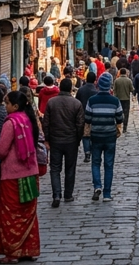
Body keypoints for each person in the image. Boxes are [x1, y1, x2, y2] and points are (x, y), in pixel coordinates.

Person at [0, 91, 41, 263]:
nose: (5, 106)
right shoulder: (29, 120)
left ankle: (13, 253)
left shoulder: (11, 123)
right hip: (30, 173)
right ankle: (27, 249)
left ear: (15, 106)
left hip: (12, 176)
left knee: (11, 214)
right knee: (27, 213)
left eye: (7, 103)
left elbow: (1, 150)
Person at [42, 78, 84, 207]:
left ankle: (56, 195)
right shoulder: (76, 104)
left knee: (55, 168)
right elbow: (80, 124)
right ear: (71, 88)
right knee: (70, 168)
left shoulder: (51, 102)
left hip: (55, 140)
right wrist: (78, 139)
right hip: (71, 140)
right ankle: (68, 194)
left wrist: (47, 138)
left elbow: (46, 123)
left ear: (59, 87)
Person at [84, 74, 124, 202]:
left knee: (95, 163)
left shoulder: (92, 100)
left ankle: (97, 186)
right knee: (109, 164)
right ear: (110, 85)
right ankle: (107, 194)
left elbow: (87, 118)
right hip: (110, 136)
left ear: (98, 85)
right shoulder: (115, 101)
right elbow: (120, 118)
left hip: (95, 136)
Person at [75, 70, 99, 163]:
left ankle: (87, 153)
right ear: (94, 80)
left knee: (85, 135)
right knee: (93, 135)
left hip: (83, 116)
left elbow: (77, 102)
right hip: (94, 116)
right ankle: (92, 151)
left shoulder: (81, 89)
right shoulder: (96, 91)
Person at [112, 68, 134, 133]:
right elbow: (132, 89)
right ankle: (125, 128)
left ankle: (118, 127)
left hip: (118, 100)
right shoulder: (129, 80)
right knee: (126, 114)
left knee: (118, 114)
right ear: (126, 73)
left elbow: (114, 90)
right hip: (126, 99)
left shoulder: (116, 80)